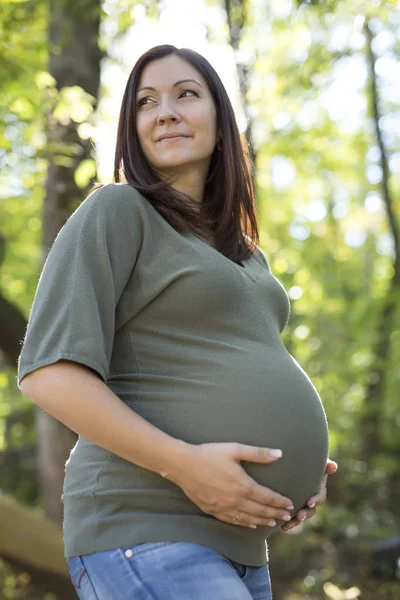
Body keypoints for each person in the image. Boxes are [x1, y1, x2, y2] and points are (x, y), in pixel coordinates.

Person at [17, 44, 338, 600]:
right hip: (143, 525)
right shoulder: (118, 210)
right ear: (133, 126)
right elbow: (49, 374)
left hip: (241, 543)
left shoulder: (245, 254)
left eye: (185, 94)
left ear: (220, 118)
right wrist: (187, 466)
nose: (164, 111)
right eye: (146, 101)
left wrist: (295, 476)